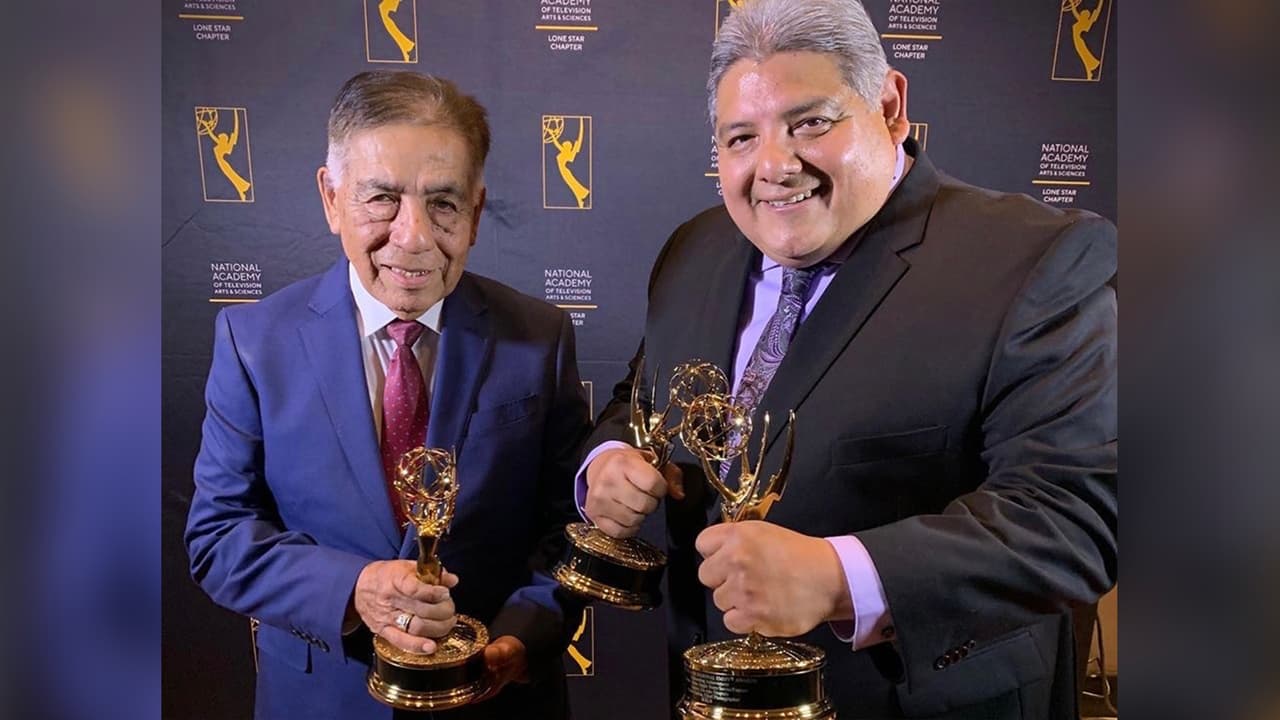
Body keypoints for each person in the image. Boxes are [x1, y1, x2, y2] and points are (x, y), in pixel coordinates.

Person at [579, 1, 1117, 718]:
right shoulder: (694, 249)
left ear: (891, 106)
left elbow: (1074, 516)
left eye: (810, 122)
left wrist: (841, 577)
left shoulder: (1037, 259)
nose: (774, 164)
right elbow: (641, 398)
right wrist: (611, 455)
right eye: (741, 136)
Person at [186, 70, 591, 719]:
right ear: (331, 197)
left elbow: (570, 525)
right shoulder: (253, 340)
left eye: (444, 203)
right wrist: (355, 589)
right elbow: (218, 538)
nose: (413, 236)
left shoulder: (539, 337)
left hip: (499, 703)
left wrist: (525, 630)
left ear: (476, 212)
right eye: (382, 199)